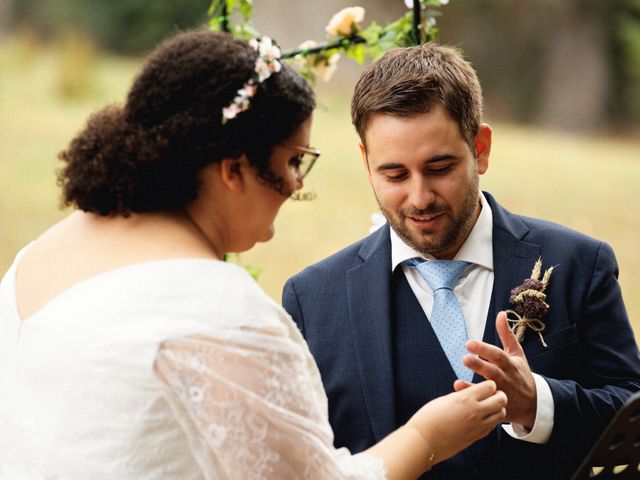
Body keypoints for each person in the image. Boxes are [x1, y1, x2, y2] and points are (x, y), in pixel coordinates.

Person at [0, 30, 508, 479]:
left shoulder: (45, 252)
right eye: (291, 162)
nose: (293, 186)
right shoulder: (221, 312)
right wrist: (425, 438)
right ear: (233, 169)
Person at [282, 43, 640, 479]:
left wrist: (538, 403)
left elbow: (631, 411)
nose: (419, 198)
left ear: (481, 148)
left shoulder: (579, 264)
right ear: (366, 163)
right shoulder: (311, 299)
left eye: (440, 167)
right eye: (394, 174)